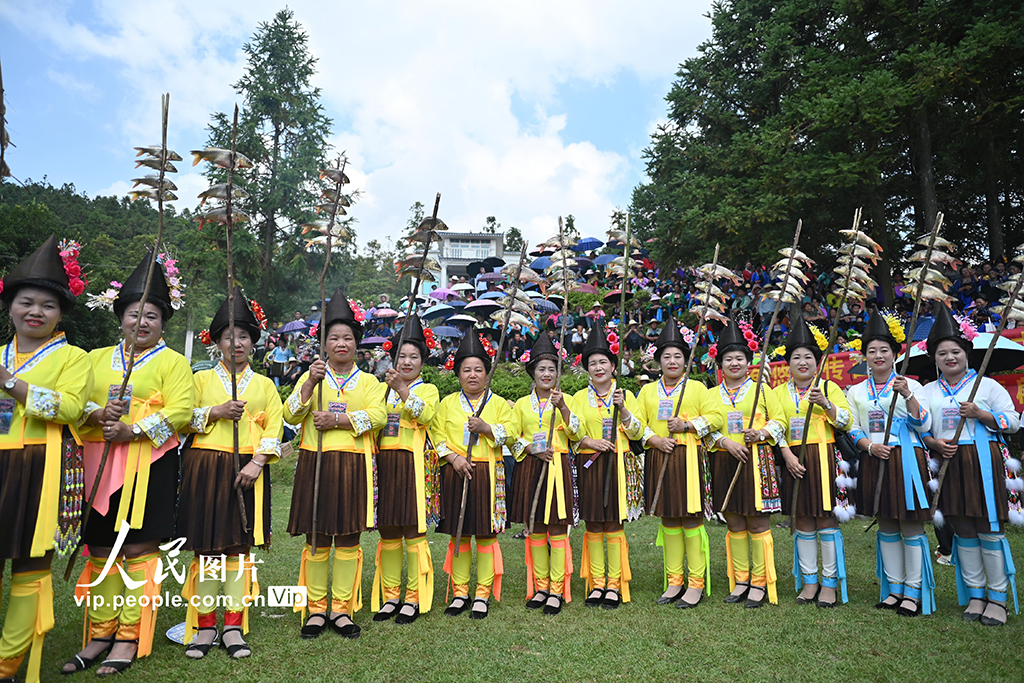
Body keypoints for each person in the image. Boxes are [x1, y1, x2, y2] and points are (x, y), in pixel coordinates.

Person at [66, 252, 193, 675]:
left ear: (163, 322)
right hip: (99, 461)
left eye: (152, 316)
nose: (143, 322)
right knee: (101, 548)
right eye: (135, 314)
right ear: (120, 316)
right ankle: (101, 632)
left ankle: (129, 635)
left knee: (139, 548)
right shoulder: (94, 358)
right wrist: (98, 413)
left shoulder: (174, 362)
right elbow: (76, 401)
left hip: (149, 464)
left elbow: (181, 411)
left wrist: (134, 431)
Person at [0, 237, 92, 683]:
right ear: (10, 306)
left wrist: (11, 385)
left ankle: (7, 663)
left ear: (60, 315)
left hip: (42, 467)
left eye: (47, 305)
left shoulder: (72, 357)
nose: (35, 311)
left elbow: (72, 408)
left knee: (31, 566)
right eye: (26, 302)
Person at [177, 290, 282, 659]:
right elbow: (181, 417)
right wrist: (215, 412)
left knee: (238, 547)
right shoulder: (199, 380)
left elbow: (275, 429)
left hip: (247, 469)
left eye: (243, 336)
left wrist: (257, 462)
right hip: (204, 466)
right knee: (207, 548)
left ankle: (234, 626)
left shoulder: (266, 385)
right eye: (228, 336)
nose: (235, 343)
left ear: (252, 342)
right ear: (216, 341)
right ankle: (206, 627)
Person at [285, 289, 386, 640]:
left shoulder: (371, 381)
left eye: (347, 338)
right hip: (316, 461)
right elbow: (290, 413)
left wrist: (339, 422)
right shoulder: (311, 376)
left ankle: (342, 609)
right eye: (334, 338)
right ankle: (315, 608)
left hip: (353, 464)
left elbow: (378, 416)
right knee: (316, 538)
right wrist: (311, 382)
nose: (341, 343)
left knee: (347, 536)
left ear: (356, 343)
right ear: (324, 344)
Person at [919, 304, 1020, 625]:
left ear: (967, 353)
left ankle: (998, 598)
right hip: (948, 461)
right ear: (934, 359)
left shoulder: (987, 387)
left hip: (983, 461)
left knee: (989, 529)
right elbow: (920, 427)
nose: (950, 358)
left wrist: (982, 415)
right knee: (962, 529)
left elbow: (1013, 422)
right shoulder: (928, 391)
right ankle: (976, 594)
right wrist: (934, 443)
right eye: (942, 353)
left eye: (956, 352)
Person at [849, 310, 934, 617]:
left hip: (906, 459)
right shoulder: (857, 391)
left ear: (896, 354)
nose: (878, 355)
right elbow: (853, 428)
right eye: (872, 351)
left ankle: (913, 592)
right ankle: (893, 589)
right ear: (865, 357)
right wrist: (870, 446)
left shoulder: (910, 384)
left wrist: (908, 394)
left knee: (910, 524)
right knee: (885, 524)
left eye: (884, 350)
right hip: (875, 458)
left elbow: (924, 424)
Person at [636, 318, 722, 609]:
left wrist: (687, 425)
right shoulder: (647, 392)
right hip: (659, 456)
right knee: (669, 519)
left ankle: (696, 583)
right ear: (658, 361)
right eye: (666, 356)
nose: (672, 361)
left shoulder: (697, 388)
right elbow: (635, 425)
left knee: (690, 519)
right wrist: (654, 440)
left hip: (689, 459)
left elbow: (716, 418)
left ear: (686, 360)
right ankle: (674, 581)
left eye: (678, 356)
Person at [431, 332, 515, 620]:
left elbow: (511, 433)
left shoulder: (499, 403)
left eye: (478, 369)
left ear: (487, 372)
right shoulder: (446, 403)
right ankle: (460, 592)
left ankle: (482, 593)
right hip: (456, 472)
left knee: (486, 535)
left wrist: (487, 428)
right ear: (458, 374)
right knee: (460, 535)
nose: (473, 375)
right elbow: (436, 435)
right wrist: (453, 458)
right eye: (466, 369)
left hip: (488, 473)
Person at [709, 319, 791, 608]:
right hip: (724, 459)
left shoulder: (763, 391)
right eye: (728, 358)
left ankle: (760, 581)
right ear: (720, 364)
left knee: (757, 521)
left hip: (757, 460)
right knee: (733, 520)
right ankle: (740, 579)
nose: (734, 363)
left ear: (748, 362)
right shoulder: (710, 395)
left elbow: (781, 422)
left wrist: (762, 433)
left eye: (739, 358)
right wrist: (725, 442)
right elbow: (705, 427)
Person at [773, 315, 854, 608]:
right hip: (792, 458)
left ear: (817, 362)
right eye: (796, 357)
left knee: (826, 518)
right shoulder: (777, 392)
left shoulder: (828, 387)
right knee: (802, 519)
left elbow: (845, 421)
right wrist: (787, 455)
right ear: (788, 363)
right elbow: (775, 426)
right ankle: (809, 582)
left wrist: (826, 404)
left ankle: (830, 584)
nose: (802, 362)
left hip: (823, 457)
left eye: (808, 357)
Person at [567, 321, 647, 610]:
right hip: (590, 464)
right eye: (592, 363)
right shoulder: (577, 398)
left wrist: (623, 408)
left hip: (618, 465)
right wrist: (590, 442)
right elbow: (571, 431)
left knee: (613, 522)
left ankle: (614, 583)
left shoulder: (625, 394)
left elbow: (638, 432)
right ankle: (596, 582)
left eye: (603, 362)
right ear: (587, 368)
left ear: (614, 366)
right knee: (593, 523)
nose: (598, 368)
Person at [370, 315, 440, 625]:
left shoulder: (429, 390)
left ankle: (413, 596)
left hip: (412, 465)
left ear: (423, 361)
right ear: (392, 357)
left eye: (414, 356)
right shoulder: (378, 389)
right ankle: (390, 595)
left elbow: (424, 417)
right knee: (388, 532)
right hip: (385, 463)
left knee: (413, 530)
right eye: (402, 356)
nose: (407, 361)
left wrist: (402, 389)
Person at [507, 334, 579, 615]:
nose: (546, 374)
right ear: (532, 373)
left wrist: (562, 407)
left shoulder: (566, 399)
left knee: (557, 527)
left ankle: (557, 590)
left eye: (552, 369)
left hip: (557, 465)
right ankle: (541, 586)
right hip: (531, 465)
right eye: (541, 369)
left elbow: (577, 433)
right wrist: (531, 450)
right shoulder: (522, 404)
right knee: (534, 526)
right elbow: (511, 436)